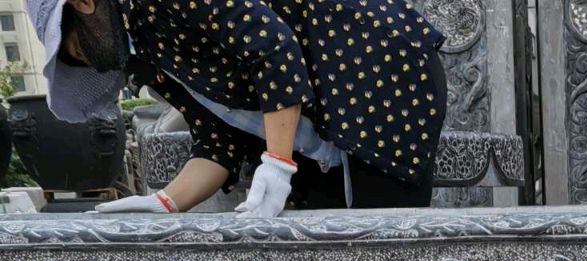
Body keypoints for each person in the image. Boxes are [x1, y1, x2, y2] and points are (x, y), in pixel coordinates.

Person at [25, 0, 447, 215]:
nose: (92, 64)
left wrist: (278, 163)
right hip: (322, 126)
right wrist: (165, 203)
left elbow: (272, 46)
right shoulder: (147, 53)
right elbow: (218, 143)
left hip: (380, 74)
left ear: (83, 3)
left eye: (76, 49)